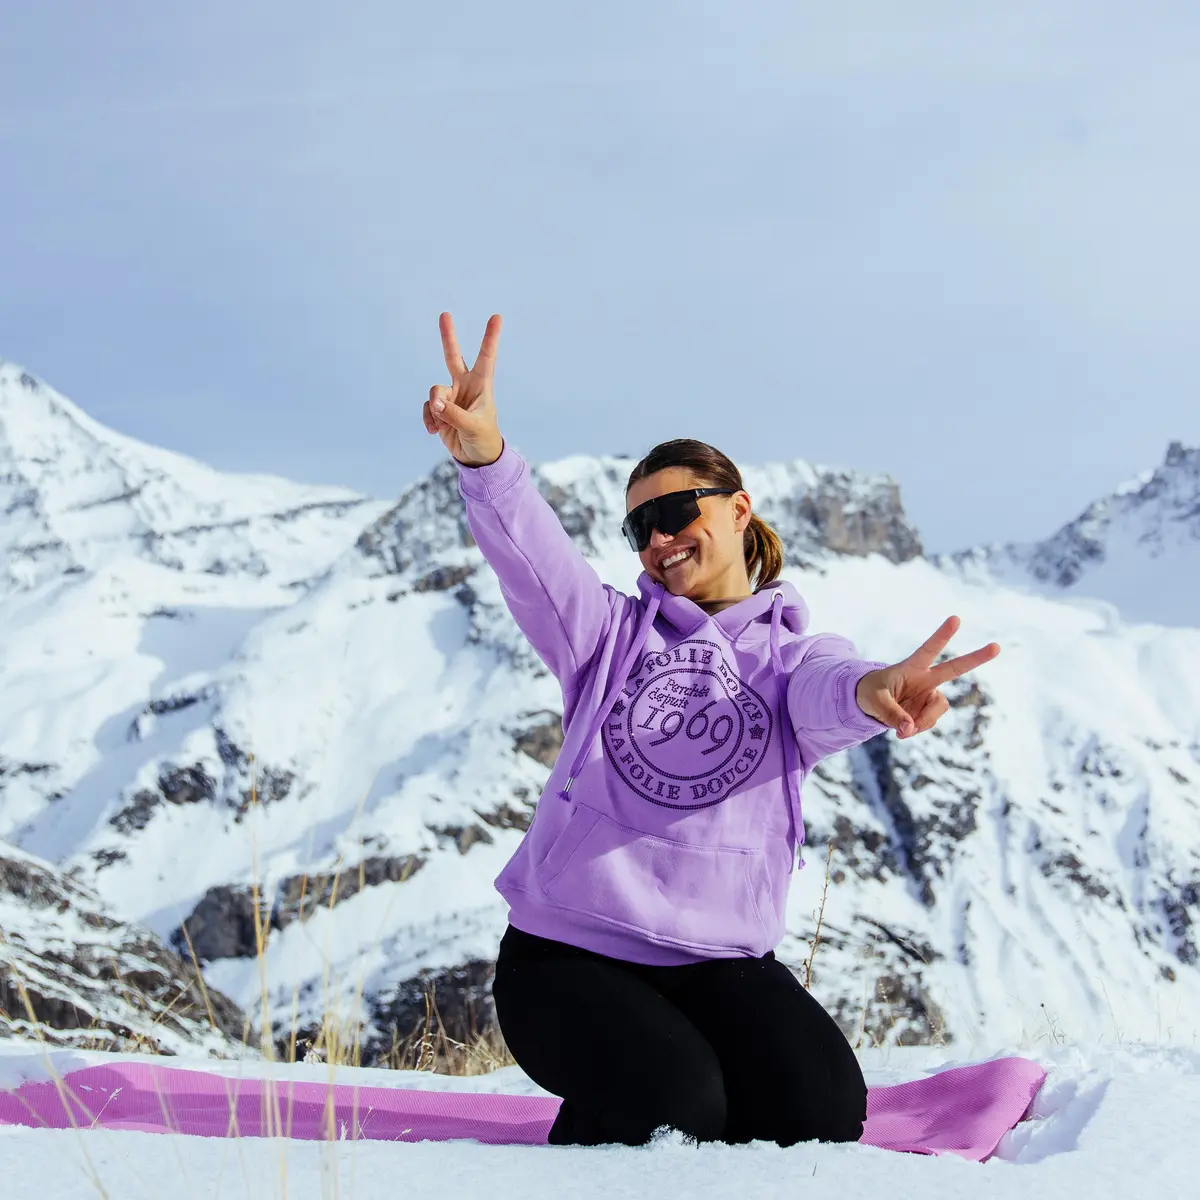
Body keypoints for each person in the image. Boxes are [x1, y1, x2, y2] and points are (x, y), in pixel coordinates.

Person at [421, 311, 1000, 1147]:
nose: (658, 541)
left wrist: (878, 692)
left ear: (737, 509)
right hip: (566, 958)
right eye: (638, 530)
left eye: (678, 511)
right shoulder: (605, 635)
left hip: (718, 963)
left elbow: (827, 693)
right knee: (681, 1111)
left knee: (819, 1113)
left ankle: (634, 1096)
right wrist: (486, 458)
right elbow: (533, 559)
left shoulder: (794, 655)